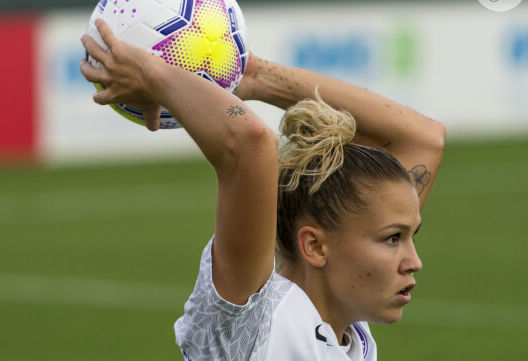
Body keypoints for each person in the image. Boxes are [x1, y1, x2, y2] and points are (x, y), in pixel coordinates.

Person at [80, 19, 446, 361]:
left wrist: (252, 76)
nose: (414, 261)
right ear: (315, 247)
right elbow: (251, 142)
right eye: (392, 238)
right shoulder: (254, 321)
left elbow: (425, 138)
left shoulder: (351, 337)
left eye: (410, 236)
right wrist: (151, 72)